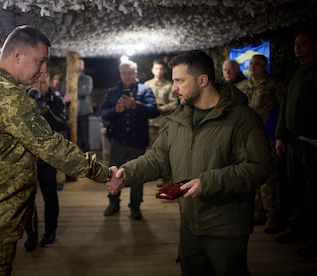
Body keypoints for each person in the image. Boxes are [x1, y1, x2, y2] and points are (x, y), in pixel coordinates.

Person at [0, 25, 116, 275]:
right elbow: (51, 146)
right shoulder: (8, 95)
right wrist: (104, 173)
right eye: (40, 61)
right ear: (18, 55)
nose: (43, 71)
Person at [106, 50, 271, 276]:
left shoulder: (241, 119)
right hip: (189, 225)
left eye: (179, 81)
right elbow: (158, 158)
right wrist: (126, 172)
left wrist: (208, 182)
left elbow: (258, 167)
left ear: (202, 80)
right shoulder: (180, 118)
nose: (174, 88)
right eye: (173, 81)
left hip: (225, 227)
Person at [274, 28, 317, 259]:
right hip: (293, 142)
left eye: (303, 43)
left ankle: (313, 239)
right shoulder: (295, 72)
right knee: (296, 189)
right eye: (296, 44)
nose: (297, 47)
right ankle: (297, 229)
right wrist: (280, 135)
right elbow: (285, 106)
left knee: (313, 192)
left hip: (312, 142)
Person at [101, 60, 159, 220]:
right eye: (124, 73)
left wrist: (135, 105)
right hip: (118, 140)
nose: (127, 75)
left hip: (138, 141)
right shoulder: (113, 92)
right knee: (113, 174)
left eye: (130, 72)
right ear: (120, 74)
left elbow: (154, 111)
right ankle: (113, 203)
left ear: (136, 73)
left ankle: (135, 206)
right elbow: (104, 113)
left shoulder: (145, 90)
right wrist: (116, 110)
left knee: (137, 175)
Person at [237, 54, 284, 234]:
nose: (253, 67)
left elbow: (282, 109)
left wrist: (278, 135)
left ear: (265, 66)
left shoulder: (273, 85)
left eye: (257, 64)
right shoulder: (241, 87)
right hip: (246, 138)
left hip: (266, 137)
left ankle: (273, 214)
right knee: (250, 175)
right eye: (251, 64)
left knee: (269, 178)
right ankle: (257, 211)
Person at [24, 72, 69, 251]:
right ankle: (31, 235)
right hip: (27, 156)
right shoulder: (24, 97)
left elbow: (62, 124)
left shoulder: (56, 100)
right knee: (28, 199)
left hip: (47, 157)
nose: (39, 84)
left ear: (49, 82)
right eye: (35, 80)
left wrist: (46, 113)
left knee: (50, 195)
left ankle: (50, 232)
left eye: (42, 81)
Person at [61, 58, 93, 152]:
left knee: (84, 137)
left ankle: (88, 160)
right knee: (73, 137)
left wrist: (71, 92)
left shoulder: (87, 79)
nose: (79, 65)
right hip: (70, 112)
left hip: (83, 112)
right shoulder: (68, 78)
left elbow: (85, 92)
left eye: (81, 64)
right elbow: (63, 90)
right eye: (77, 63)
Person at [144, 59, 177, 146]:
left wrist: (162, 108)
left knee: (164, 146)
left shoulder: (169, 85)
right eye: (156, 69)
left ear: (164, 70)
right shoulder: (147, 85)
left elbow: (174, 103)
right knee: (151, 147)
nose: (158, 71)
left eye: (161, 69)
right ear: (152, 70)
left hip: (164, 122)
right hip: (150, 122)